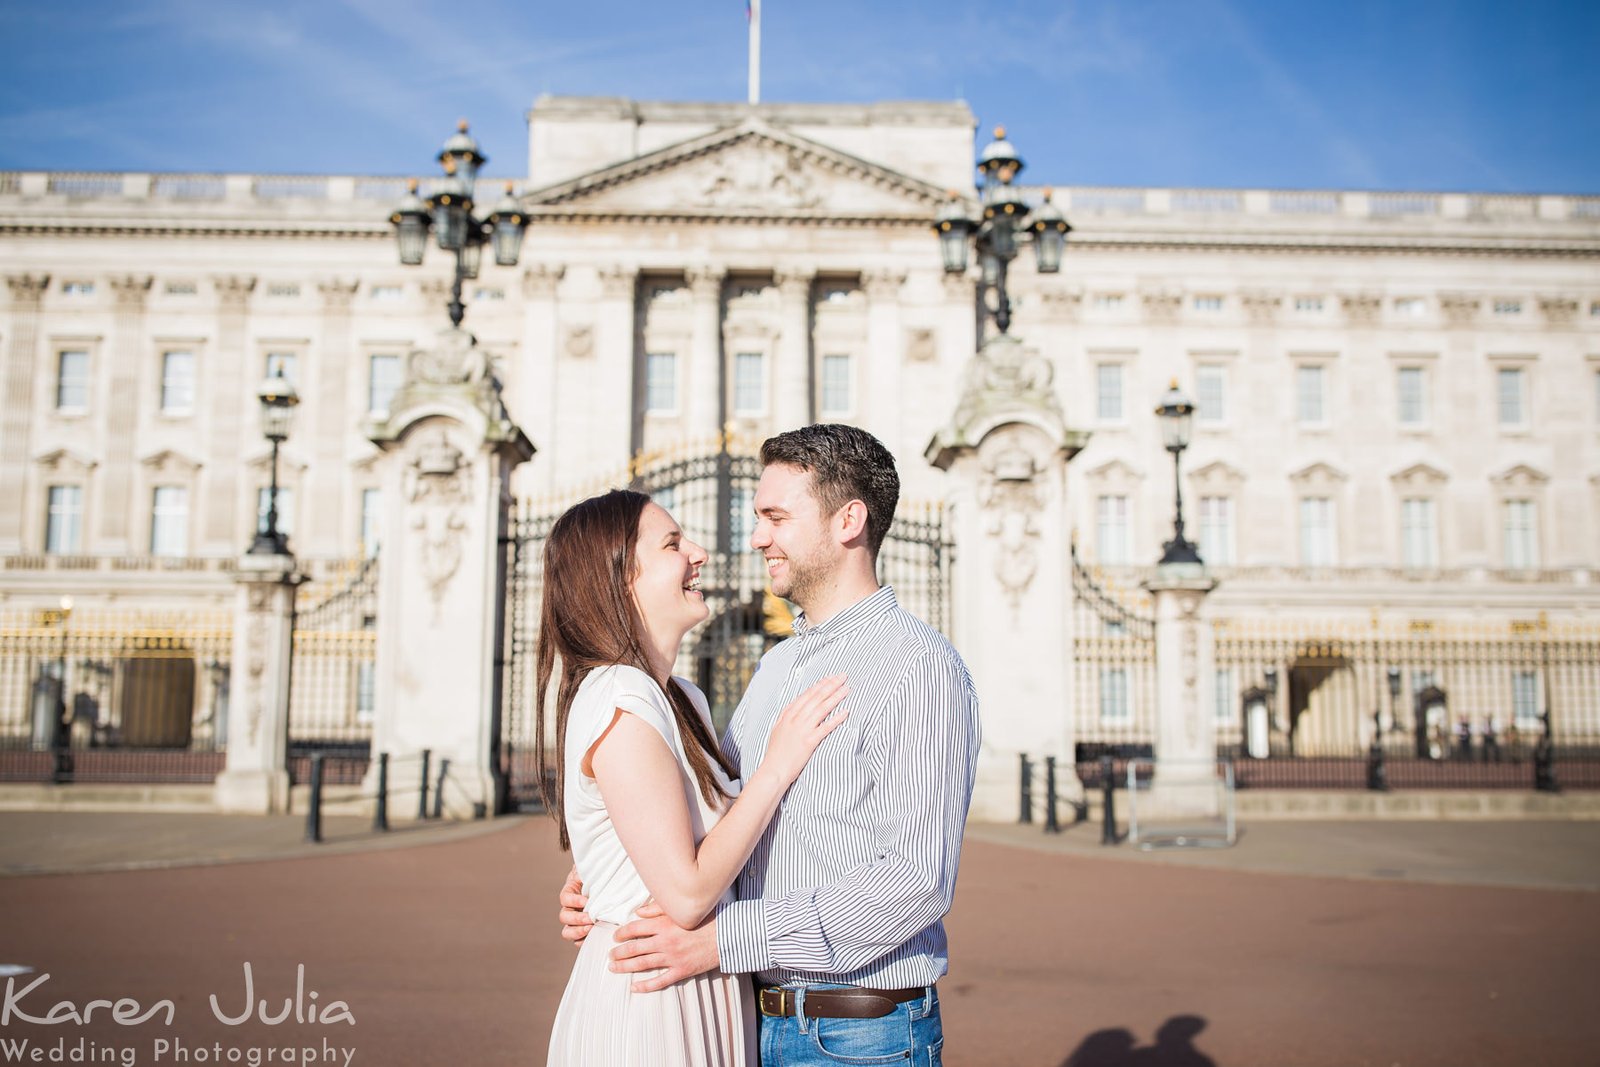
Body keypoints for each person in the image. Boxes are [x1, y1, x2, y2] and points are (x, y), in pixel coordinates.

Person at [561, 424, 982, 1066]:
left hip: (856, 1034)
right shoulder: (778, 668)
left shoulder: (916, 666)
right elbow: (711, 811)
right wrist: (614, 867)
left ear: (849, 521)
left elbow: (914, 882)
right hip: (752, 1021)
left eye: (776, 517)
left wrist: (725, 943)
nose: (756, 537)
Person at [537, 488, 851, 1066]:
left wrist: (604, 871)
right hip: (650, 999)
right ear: (620, 578)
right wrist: (777, 766)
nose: (700, 552)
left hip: (699, 979)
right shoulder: (620, 697)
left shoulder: (681, 696)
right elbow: (684, 895)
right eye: (674, 543)